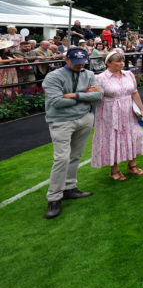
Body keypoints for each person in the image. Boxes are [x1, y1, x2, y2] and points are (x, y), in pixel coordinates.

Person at [42, 48, 103, 219]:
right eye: (76, 62)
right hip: (61, 121)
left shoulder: (88, 73)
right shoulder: (54, 76)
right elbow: (56, 102)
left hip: (84, 118)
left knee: (75, 156)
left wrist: (74, 95)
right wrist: (84, 96)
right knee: (61, 158)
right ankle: (54, 198)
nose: (80, 65)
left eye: (83, 62)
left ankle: (70, 188)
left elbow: (99, 95)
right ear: (66, 59)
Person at [91, 50, 143, 181]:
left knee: (134, 134)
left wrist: (141, 108)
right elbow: (94, 97)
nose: (122, 64)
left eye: (123, 61)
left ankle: (132, 165)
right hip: (109, 113)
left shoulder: (129, 74)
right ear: (108, 63)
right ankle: (114, 169)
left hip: (129, 110)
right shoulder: (100, 78)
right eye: (118, 61)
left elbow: (134, 92)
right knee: (113, 138)